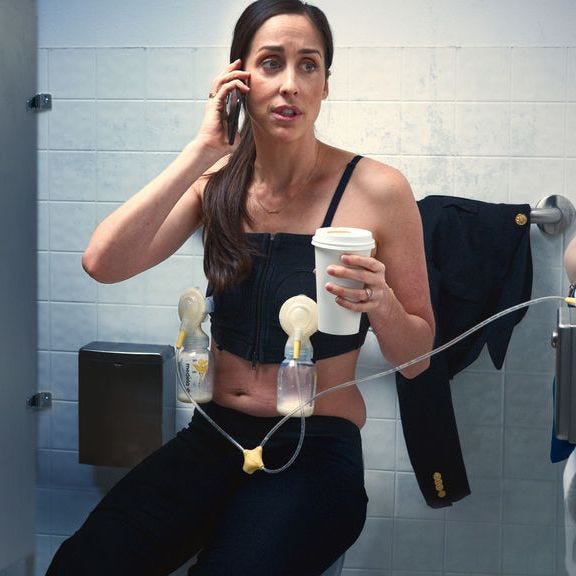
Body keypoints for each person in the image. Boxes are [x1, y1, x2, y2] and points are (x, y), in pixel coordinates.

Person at [46, 1, 435, 574]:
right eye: (271, 63)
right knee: (82, 563)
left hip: (316, 448)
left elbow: (419, 360)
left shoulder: (377, 189)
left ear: (327, 83)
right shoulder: (217, 186)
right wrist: (203, 150)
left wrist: (382, 303)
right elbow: (102, 262)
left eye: (309, 65)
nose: (290, 85)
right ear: (239, 80)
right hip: (214, 437)